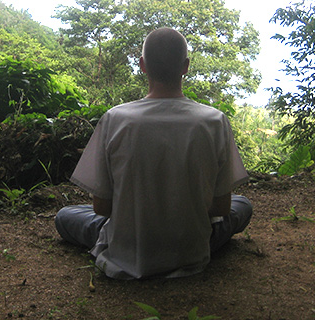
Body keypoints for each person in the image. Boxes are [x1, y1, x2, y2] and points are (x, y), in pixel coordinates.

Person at [55, 27, 253, 280]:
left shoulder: (115, 119)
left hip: (128, 249)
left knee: (65, 216)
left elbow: (102, 207)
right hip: (191, 251)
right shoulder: (214, 121)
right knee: (242, 204)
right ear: (186, 66)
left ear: (142, 65)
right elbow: (222, 206)